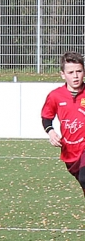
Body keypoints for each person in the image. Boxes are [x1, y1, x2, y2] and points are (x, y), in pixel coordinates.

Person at [42, 51, 85, 199]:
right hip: (70, 151)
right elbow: (46, 117)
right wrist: (51, 132)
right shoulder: (55, 96)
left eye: (79, 71)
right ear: (63, 74)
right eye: (71, 72)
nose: (75, 76)